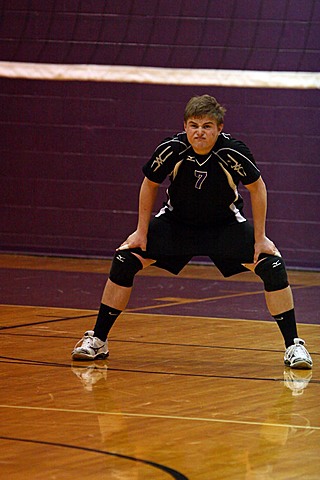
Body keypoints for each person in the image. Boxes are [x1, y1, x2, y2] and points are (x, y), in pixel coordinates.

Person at [72, 94, 312, 369]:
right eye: (194, 125)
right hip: (177, 226)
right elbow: (149, 184)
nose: (200, 132)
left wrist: (260, 239)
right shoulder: (172, 149)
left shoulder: (232, 151)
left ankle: (294, 345)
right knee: (125, 259)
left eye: (207, 126)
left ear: (219, 129)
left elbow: (258, 188)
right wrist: (141, 232)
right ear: (185, 126)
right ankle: (98, 340)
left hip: (225, 227)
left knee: (272, 265)